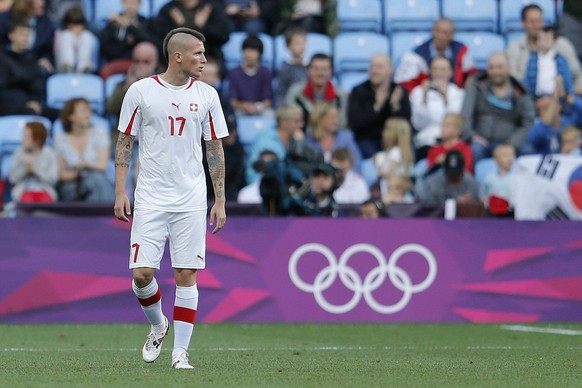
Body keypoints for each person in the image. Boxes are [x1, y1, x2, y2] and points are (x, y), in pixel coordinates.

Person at [114, 27, 228, 369]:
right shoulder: (141, 91)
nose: (204, 60)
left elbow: (215, 148)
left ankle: (181, 353)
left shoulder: (207, 95)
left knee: (186, 275)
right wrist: (120, 190)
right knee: (142, 274)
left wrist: (219, 198)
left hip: (191, 199)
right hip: (150, 197)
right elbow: (124, 142)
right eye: (198, 54)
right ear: (177, 56)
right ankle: (158, 325)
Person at [461, 52, 535, 164]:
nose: (495, 71)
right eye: (491, 67)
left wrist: (510, 144)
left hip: (510, 142)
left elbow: (528, 123)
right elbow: (465, 115)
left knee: (528, 151)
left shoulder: (520, 92)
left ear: (509, 68)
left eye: (500, 67)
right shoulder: (477, 86)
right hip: (481, 142)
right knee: (474, 150)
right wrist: (472, 136)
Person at [506, 3, 582, 94]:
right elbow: (512, 79)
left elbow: (578, 74)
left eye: (539, 21)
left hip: (563, 97)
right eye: (532, 22)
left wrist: (573, 91)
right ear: (523, 24)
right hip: (527, 98)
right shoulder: (514, 49)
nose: (536, 26)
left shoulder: (562, 45)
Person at [348, 53, 411, 159]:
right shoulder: (358, 91)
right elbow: (355, 124)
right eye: (372, 67)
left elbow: (406, 125)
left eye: (379, 67)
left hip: (395, 141)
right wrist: (376, 107)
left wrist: (395, 107)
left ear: (390, 71)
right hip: (368, 140)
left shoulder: (399, 91)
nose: (374, 71)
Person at [246, 101, 322, 184]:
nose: (301, 125)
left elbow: (316, 158)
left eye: (301, 121)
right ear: (284, 122)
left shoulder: (294, 138)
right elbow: (253, 172)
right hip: (264, 187)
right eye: (297, 121)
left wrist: (300, 143)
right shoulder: (265, 141)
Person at [54, 97, 115, 202]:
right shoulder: (61, 139)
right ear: (71, 116)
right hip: (72, 185)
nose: (88, 114)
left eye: (89, 111)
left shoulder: (98, 133)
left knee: (95, 180)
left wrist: (84, 165)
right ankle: (108, 215)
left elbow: (103, 166)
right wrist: (77, 174)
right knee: (95, 182)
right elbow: (62, 175)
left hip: (96, 182)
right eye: (83, 111)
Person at [394, 18, 477, 92]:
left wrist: (469, 84)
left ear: (452, 35)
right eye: (438, 31)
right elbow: (403, 84)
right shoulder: (416, 55)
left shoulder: (461, 50)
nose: (440, 36)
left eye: (445, 33)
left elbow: (471, 74)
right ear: (432, 31)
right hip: (426, 96)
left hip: (454, 97)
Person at [409, 56, 465, 160]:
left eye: (443, 70)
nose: (439, 74)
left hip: (452, 142)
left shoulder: (459, 93)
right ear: (430, 71)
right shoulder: (418, 92)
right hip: (426, 142)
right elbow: (417, 124)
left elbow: (457, 121)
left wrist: (445, 98)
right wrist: (424, 98)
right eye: (435, 69)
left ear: (451, 72)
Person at [152, 0, 230, 67]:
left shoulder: (211, 7)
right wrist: (182, 27)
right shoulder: (169, 10)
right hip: (176, 61)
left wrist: (202, 28)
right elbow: (160, 39)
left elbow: (224, 36)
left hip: (209, 58)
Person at [0, 20, 53, 118]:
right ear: (11, 35)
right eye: (21, 34)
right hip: (7, 105)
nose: (25, 38)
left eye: (27, 35)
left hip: (29, 104)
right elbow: (3, 88)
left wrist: (35, 101)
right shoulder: (2, 58)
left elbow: (37, 85)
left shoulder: (32, 58)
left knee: (61, 114)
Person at [284, 53, 348, 132]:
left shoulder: (340, 95)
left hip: (331, 139)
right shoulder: (295, 92)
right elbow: (287, 120)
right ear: (308, 70)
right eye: (316, 69)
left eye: (324, 69)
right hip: (301, 139)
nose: (320, 73)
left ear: (331, 72)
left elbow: (342, 123)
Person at [106, 41, 160, 122]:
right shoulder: (122, 84)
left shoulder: (163, 83)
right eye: (137, 61)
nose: (141, 66)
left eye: (146, 62)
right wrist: (127, 88)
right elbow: (111, 109)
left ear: (155, 63)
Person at [8, 121, 59, 203]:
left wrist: (35, 171)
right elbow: (13, 178)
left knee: (45, 203)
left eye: (25, 136)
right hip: (23, 190)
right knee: (26, 201)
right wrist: (25, 169)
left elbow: (53, 180)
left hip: (45, 190)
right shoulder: (19, 153)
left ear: (37, 140)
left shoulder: (50, 154)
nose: (22, 140)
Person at [0, 0, 56, 74]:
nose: (42, 3)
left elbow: (47, 50)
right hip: (8, 62)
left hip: (34, 65)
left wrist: (46, 59)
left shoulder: (46, 23)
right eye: (38, 1)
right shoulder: (5, 19)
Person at [305, 102, 362, 173]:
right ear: (319, 119)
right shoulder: (308, 141)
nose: (336, 121)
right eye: (332, 117)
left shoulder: (345, 138)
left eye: (337, 117)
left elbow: (357, 164)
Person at [523, 26, 575, 103]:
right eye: (542, 39)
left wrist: (570, 93)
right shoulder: (532, 59)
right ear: (537, 41)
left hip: (557, 98)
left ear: (554, 41)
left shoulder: (561, 60)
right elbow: (527, 78)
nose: (544, 42)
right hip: (536, 98)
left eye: (547, 39)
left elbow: (567, 77)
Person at [228, 34, 273, 117]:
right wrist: (244, 106)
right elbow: (232, 100)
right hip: (240, 110)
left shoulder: (266, 72)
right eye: (247, 50)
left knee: (270, 115)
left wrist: (257, 107)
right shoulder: (234, 73)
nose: (250, 54)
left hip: (260, 109)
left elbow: (268, 100)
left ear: (260, 53)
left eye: (254, 51)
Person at [372, 118, 414, 203]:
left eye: (386, 129)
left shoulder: (396, 152)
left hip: (395, 188)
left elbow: (387, 173)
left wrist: (378, 166)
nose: (383, 133)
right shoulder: (392, 152)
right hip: (388, 186)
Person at [54, 5, 98, 73]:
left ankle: (83, 67)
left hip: (86, 69)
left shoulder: (88, 36)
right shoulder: (61, 34)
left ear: (83, 25)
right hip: (62, 69)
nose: (76, 27)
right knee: (67, 35)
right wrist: (73, 37)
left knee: (86, 36)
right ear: (67, 24)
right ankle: (67, 66)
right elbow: (56, 52)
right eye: (73, 24)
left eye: (78, 24)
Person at [275, 25, 307, 106]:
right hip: (290, 107)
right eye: (297, 43)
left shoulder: (309, 66)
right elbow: (281, 92)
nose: (301, 46)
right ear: (288, 46)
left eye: (303, 42)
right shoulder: (285, 68)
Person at [481, 144, 515, 216]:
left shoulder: (516, 177)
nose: (509, 158)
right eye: (505, 155)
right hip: (492, 211)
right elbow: (483, 195)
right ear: (496, 159)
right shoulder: (489, 178)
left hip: (510, 212)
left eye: (511, 155)